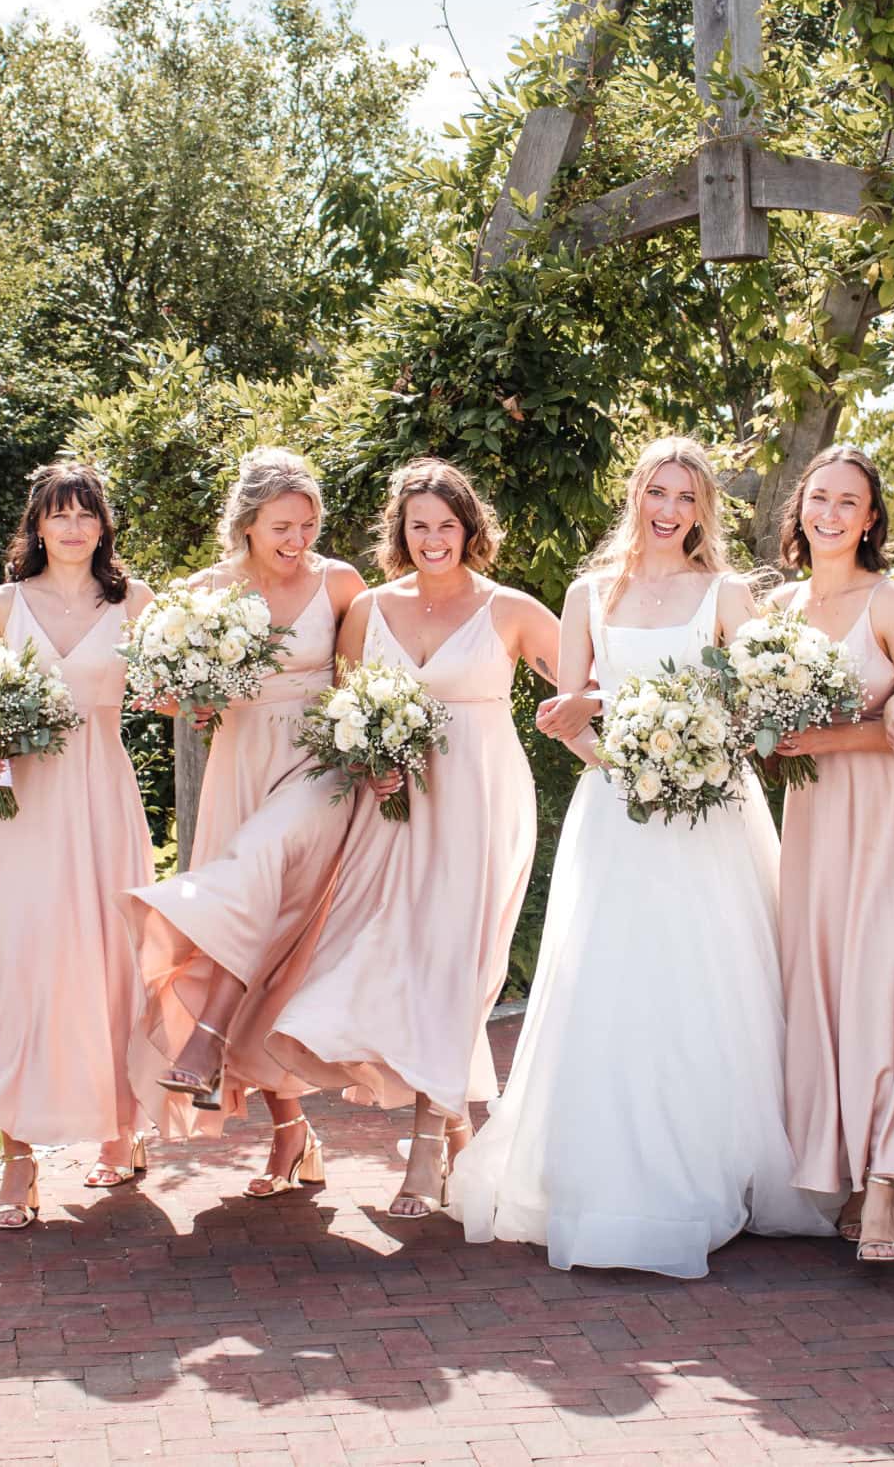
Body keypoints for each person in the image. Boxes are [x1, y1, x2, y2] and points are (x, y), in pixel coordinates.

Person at [448, 435, 838, 1277]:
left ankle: (722, 1164)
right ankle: (610, 1174)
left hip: (712, 815)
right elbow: (573, 717)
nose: (669, 511)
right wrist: (626, 762)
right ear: (637, 497)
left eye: (685, 498)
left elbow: (760, 706)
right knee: (614, 981)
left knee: (713, 979)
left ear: (704, 509)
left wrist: (696, 756)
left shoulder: (728, 594)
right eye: (657, 493)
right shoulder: (590, 594)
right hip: (619, 809)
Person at [264, 458, 560, 1217]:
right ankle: (456, 1128)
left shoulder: (512, 609)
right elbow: (344, 712)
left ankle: (427, 1149)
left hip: (482, 806)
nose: (434, 539)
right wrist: (368, 767)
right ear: (401, 532)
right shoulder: (368, 611)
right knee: (390, 954)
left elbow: (588, 683)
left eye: (447, 526)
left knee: (458, 960)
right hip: (393, 812)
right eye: (419, 526)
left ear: (470, 529)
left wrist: (596, 733)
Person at [0, 462, 160, 1230]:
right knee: (13, 960)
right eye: (60, 514)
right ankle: (17, 1163)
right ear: (38, 525)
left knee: (110, 957)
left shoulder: (136, 602)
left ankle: (122, 1128)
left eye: (88, 513)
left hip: (98, 794)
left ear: (104, 525)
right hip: (19, 803)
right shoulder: (1, 605)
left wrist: (208, 684)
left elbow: (169, 690)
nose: (75, 527)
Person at [118, 448, 364, 1197]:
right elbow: (153, 685)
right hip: (240, 763)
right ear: (248, 524)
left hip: (321, 764)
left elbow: (366, 683)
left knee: (259, 874)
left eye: (309, 523)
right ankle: (292, 1134)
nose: (299, 538)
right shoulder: (205, 591)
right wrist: (188, 700)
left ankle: (206, 1039)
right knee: (261, 936)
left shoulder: (342, 584)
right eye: (284, 525)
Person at [766, 445, 894, 1264]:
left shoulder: (892, 603)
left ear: (872, 517)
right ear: (800, 509)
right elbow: (767, 734)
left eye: (850, 502)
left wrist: (837, 734)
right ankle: (838, 1170)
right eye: (819, 498)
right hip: (812, 815)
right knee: (824, 985)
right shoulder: (773, 611)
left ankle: (884, 1184)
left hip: (888, 813)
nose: (832, 514)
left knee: (883, 982)